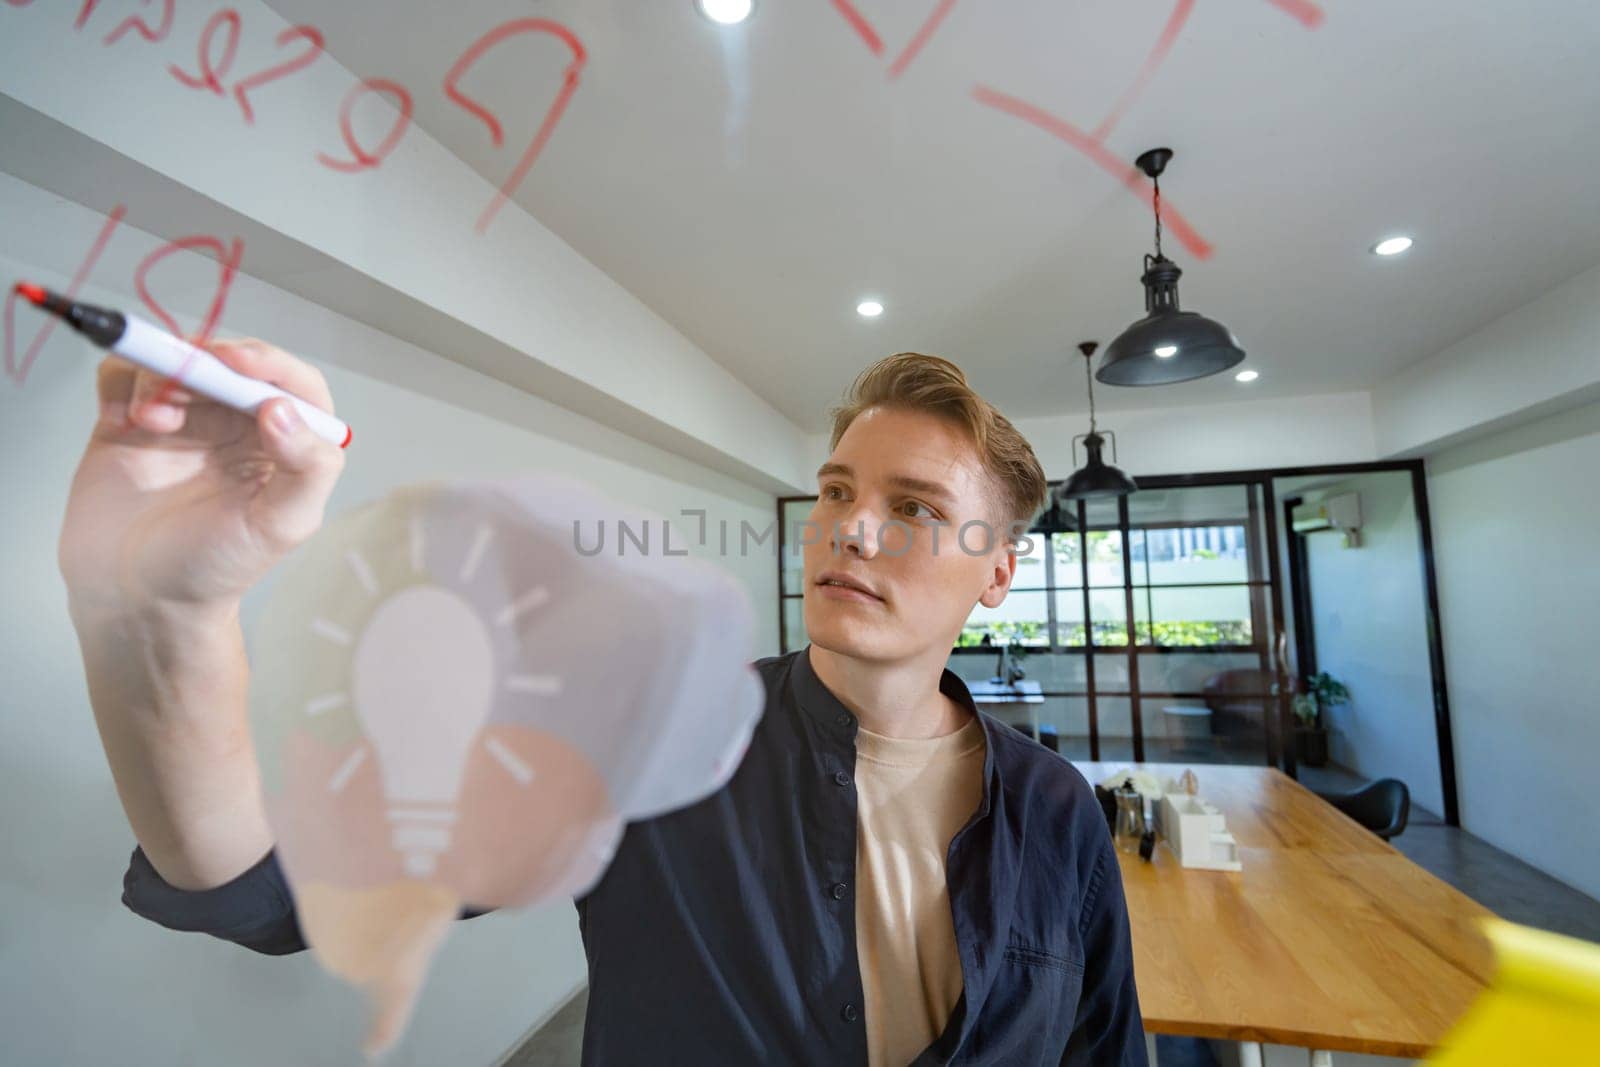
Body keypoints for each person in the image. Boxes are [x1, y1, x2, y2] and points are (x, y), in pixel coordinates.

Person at [59, 343, 1146, 1065]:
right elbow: (274, 887)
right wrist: (157, 615)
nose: (851, 528)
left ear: (997, 570)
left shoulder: (1054, 808)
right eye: (836, 491)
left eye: (912, 507)